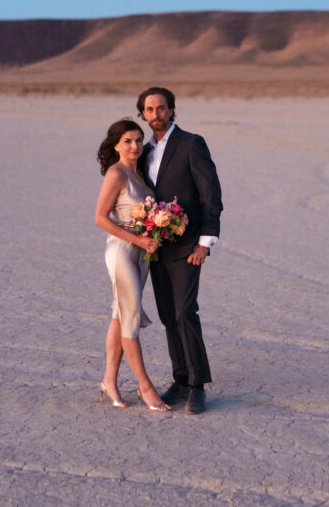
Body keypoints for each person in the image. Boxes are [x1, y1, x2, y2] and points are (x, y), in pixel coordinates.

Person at [136, 87, 223, 415]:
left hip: (188, 246)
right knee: (168, 315)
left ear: (172, 110)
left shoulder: (191, 144)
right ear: (143, 114)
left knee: (186, 311)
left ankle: (198, 386)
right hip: (158, 248)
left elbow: (210, 193)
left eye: (161, 108)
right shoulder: (143, 152)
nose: (155, 114)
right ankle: (180, 379)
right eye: (149, 109)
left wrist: (205, 242)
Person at [95, 118, 170, 412]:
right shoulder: (116, 173)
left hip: (142, 252)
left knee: (119, 314)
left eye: (139, 140)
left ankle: (109, 381)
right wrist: (139, 241)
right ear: (116, 144)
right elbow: (100, 218)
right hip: (123, 251)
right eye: (128, 141)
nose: (135, 146)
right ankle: (145, 387)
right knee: (130, 318)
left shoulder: (139, 174)